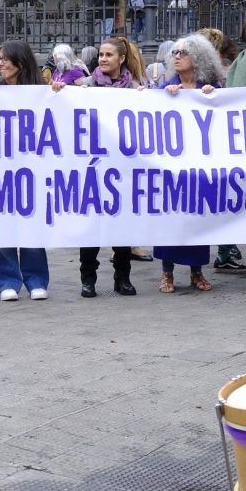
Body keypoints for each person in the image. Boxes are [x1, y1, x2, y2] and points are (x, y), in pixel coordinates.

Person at [71, 36, 143, 297]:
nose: (102, 59)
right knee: (91, 225)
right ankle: (87, 279)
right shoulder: (86, 86)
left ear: (121, 59)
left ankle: (122, 278)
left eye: (109, 55)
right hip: (92, 166)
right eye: (101, 55)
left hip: (122, 167)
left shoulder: (136, 88)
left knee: (121, 225)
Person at [155, 32, 225, 293]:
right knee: (169, 219)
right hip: (171, 167)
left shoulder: (211, 88)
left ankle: (197, 272)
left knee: (197, 218)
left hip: (200, 166)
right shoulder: (166, 88)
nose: (177, 57)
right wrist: (164, 95)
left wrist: (211, 95)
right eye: (174, 53)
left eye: (182, 52)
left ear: (198, 57)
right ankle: (167, 273)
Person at [0, 40, 51, 301]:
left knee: (32, 224)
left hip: (33, 168)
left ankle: (36, 279)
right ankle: (7, 280)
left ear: (21, 61)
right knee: (3, 224)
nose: (1, 64)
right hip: (1, 169)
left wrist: (59, 92)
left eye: (6, 59)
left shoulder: (42, 91)